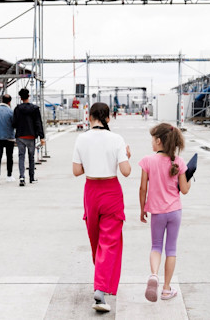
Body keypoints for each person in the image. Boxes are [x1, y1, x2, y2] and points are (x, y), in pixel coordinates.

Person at [72, 102, 132, 312]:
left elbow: (76, 171)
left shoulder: (81, 138)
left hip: (91, 192)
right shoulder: (116, 139)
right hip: (111, 191)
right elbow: (126, 171)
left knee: (96, 240)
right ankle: (101, 288)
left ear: (89, 117)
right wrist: (126, 156)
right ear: (108, 118)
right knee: (110, 242)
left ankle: (101, 283)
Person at [139, 123, 190, 303]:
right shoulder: (179, 162)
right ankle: (167, 289)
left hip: (157, 213)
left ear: (159, 141)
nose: (151, 143)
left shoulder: (148, 161)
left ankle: (154, 275)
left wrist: (142, 209)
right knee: (171, 249)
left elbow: (143, 188)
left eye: (153, 139)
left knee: (156, 246)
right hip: (175, 211)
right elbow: (184, 190)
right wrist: (190, 178)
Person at [12, 88, 45, 186]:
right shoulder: (35, 109)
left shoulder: (17, 109)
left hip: (20, 136)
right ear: (28, 96)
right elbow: (38, 123)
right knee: (31, 157)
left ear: (20, 97)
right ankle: (32, 177)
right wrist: (41, 136)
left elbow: (14, 123)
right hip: (31, 136)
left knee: (21, 156)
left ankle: (22, 177)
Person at [0, 94, 16, 185]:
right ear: (9, 102)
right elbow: (14, 124)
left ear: (1, 100)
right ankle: (9, 176)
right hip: (8, 137)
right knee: (9, 156)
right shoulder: (10, 111)